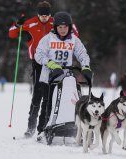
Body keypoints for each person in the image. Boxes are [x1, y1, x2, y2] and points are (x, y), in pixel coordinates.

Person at [8, 1, 79, 138]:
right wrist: (18, 25)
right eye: (42, 16)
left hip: (55, 64)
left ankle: (43, 127)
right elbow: (12, 34)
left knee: (49, 96)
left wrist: (70, 22)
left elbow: (75, 33)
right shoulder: (31, 23)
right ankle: (31, 127)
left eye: (47, 16)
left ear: (50, 15)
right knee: (37, 95)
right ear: (38, 14)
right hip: (38, 63)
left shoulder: (56, 22)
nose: (45, 18)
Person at [34, 11, 92, 140]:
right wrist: (51, 64)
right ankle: (42, 130)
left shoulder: (74, 40)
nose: (63, 30)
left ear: (70, 27)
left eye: (65, 27)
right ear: (55, 27)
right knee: (48, 103)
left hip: (67, 77)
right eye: (60, 27)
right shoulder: (48, 39)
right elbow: (38, 55)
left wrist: (86, 66)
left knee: (69, 102)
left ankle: (72, 127)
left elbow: (82, 54)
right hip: (49, 76)